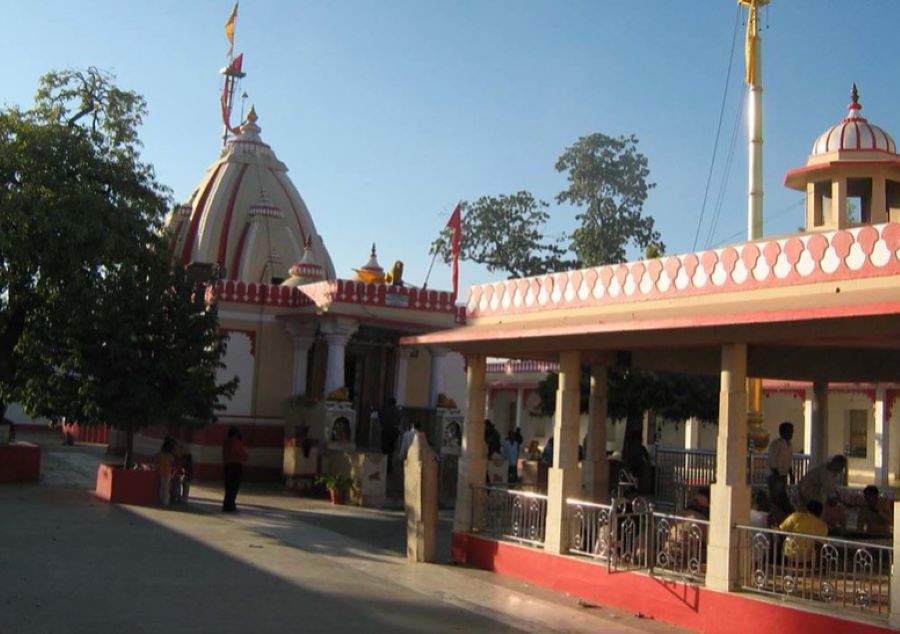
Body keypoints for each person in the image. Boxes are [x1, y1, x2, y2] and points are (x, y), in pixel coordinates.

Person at [798, 455, 847, 525]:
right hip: (807, 491)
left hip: (814, 492)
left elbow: (832, 490)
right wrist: (837, 500)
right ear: (837, 463)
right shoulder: (825, 473)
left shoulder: (833, 473)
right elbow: (830, 492)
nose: (842, 469)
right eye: (842, 466)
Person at [766, 422, 794, 519]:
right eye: (789, 431)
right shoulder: (776, 444)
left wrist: (790, 474)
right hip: (775, 476)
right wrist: (777, 476)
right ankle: (774, 519)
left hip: (783, 475)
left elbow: (789, 461)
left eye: (792, 431)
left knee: (782, 498)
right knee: (776, 499)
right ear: (782, 432)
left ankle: (783, 518)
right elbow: (772, 460)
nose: (791, 433)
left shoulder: (789, 445)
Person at [222, 426, 248, 513]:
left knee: (228, 486)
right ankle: (231, 505)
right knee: (234, 487)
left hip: (227, 466)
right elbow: (242, 454)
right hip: (236, 466)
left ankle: (226, 504)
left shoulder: (226, 442)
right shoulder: (236, 442)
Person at [156, 437, 176, 506]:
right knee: (166, 487)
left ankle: (161, 499)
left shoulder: (161, 454)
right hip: (167, 472)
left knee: (162, 486)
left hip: (161, 471)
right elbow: (173, 462)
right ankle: (166, 501)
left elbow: (157, 459)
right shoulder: (169, 455)